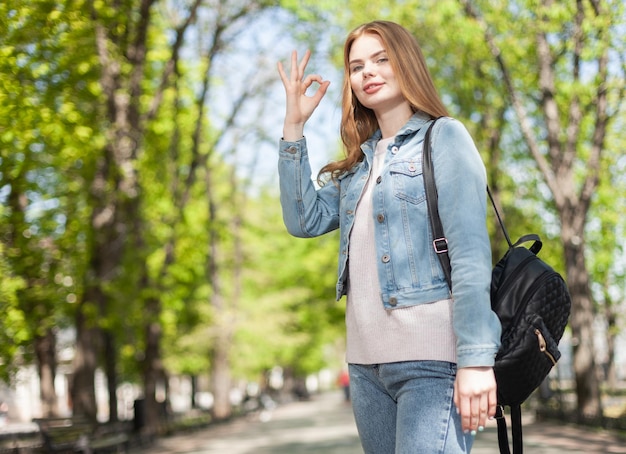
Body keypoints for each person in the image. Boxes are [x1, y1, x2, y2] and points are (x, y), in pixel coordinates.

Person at [277, 20, 502, 453]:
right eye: (357, 66)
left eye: (381, 59)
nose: (368, 72)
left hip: (432, 363)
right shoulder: (356, 167)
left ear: (407, 64)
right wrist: (293, 125)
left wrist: (475, 359)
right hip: (365, 369)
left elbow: (471, 255)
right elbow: (302, 220)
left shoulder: (444, 137)